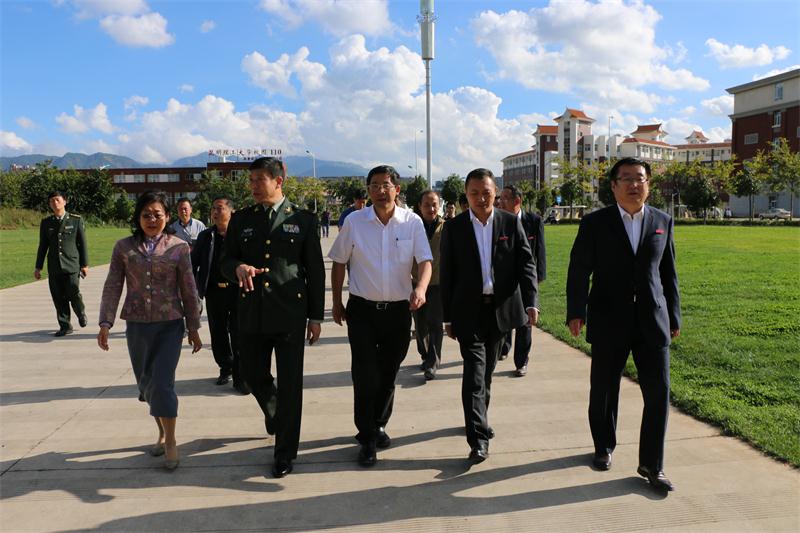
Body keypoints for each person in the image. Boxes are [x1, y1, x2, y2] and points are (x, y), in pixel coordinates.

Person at [566, 157, 681, 492]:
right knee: (604, 389)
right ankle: (603, 446)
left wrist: (674, 316)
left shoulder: (662, 221)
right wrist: (576, 311)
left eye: (640, 178)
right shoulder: (595, 223)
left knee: (659, 392)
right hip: (608, 317)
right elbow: (579, 270)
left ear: (648, 185)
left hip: (652, 320)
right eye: (626, 178)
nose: (634, 184)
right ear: (613, 186)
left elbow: (668, 273)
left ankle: (652, 464)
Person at [221, 157, 325, 478]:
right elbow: (225, 261)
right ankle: (273, 408)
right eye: (251, 180)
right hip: (251, 311)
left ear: (278, 181)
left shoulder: (303, 220)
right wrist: (237, 268)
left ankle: (285, 454)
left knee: (291, 384)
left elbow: (315, 271)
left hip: (290, 313)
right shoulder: (242, 219)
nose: (253, 186)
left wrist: (315, 316)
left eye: (259, 180)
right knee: (251, 374)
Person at [329, 165, 432, 467]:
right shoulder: (355, 222)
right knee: (364, 374)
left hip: (398, 311)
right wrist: (336, 302)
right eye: (374, 185)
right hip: (362, 310)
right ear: (368, 190)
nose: (380, 191)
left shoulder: (411, 222)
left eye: (386, 185)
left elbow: (425, 261)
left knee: (388, 373)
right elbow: (338, 262)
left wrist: (421, 288)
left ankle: (379, 423)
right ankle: (367, 437)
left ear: (397, 189)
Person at [97, 191, 203, 470]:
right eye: (146, 215)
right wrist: (105, 322)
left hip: (170, 325)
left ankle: (171, 441)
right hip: (137, 327)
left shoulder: (179, 247)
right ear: (138, 218)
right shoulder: (123, 247)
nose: (152, 220)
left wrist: (193, 327)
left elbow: (189, 289)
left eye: (157, 214)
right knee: (147, 386)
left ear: (167, 217)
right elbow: (113, 285)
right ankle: (162, 431)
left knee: (162, 383)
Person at [440, 168, 538, 464]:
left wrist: (531, 302)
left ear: (495, 193)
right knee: (474, 373)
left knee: (487, 373)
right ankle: (478, 439)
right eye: (474, 193)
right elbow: (447, 274)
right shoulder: (455, 228)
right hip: (468, 312)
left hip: (501, 310)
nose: (481, 198)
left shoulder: (509, 222)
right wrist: (447, 317)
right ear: (466, 195)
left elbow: (526, 264)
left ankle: (479, 418)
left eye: (486, 193)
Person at [192, 196, 248, 393]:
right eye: (213, 209)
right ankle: (226, 368)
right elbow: (193, 263)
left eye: (220, 208)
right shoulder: (206, 236)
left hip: (238, 291)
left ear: (231, 212)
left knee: (239, 333)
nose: (215, 212)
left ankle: (241, 376)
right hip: (214, 292)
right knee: (218, 333)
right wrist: (192, 290)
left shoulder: (241, 235)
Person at [497, 184, 547, 376]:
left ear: (517, 201)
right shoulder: (499, 220)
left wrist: (538, 277)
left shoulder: (533, 221)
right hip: (505, 279)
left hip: (526, 278)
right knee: (506, 315)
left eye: (505, 198)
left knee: (526, 320)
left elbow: (540, 250)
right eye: (500, 198)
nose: (500, 202)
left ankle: (521, 361)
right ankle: (504, 347)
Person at [35, 191, 89, 336]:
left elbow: (82, 243)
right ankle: (65, 326)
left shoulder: (76, 220)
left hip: (71, 264)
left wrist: (84, 265)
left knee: (73, 292)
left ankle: (81, 312)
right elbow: (43, 246)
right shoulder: (46, 222)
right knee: (58, 297)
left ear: (64, 201)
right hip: (54, 266)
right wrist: (38, 267)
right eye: (51, 201)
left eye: (57, 200)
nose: (55, 203)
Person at [412, 191, 445, 381]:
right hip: (416, 283)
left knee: (435, 323)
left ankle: (433, 362)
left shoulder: (446, 227)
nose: (431, 209)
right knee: (420, 324)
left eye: (434, 205)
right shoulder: (412, 226)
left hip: (438, 283)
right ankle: (425, 355)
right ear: (420, 206)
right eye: (427, 205)